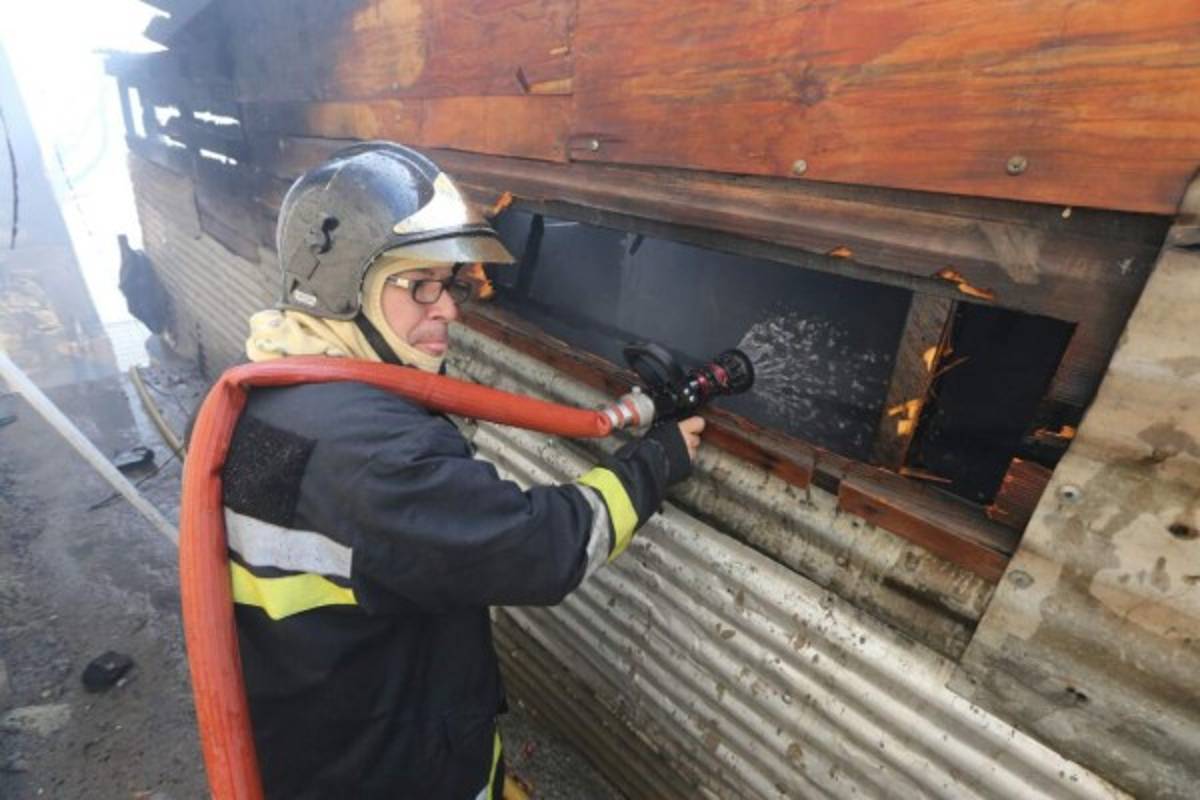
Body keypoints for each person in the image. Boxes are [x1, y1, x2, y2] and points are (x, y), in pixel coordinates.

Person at [220, 142, 705, 798]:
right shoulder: (375, 458)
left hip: (318, 739)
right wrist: (657, 462)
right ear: (342, 288)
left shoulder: (271, 396)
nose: (447, 309)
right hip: (398, 773)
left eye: (445, 286)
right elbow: (540, 550)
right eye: (418, 286)